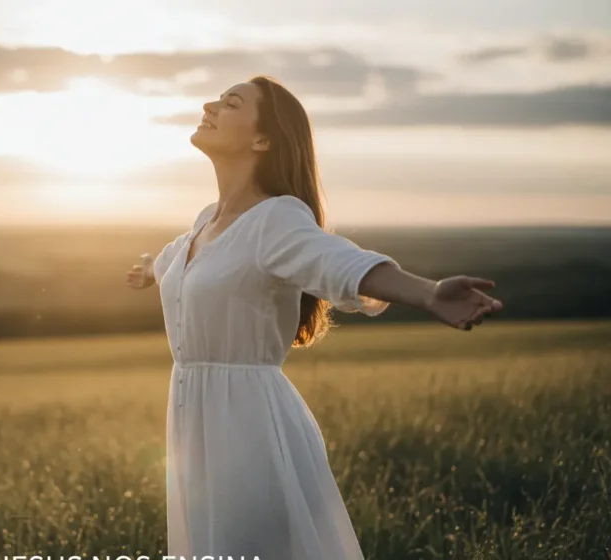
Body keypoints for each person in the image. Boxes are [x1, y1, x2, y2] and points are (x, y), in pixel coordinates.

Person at [125, 76, 503, 559]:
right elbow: (175, 261)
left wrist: (428, 293)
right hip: (193, 425)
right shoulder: (205, 221)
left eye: (230, 102)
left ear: (263, 139)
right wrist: (148, 271)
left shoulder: (276, 218)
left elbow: (336, 260)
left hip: (247, 424)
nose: (209, 104)